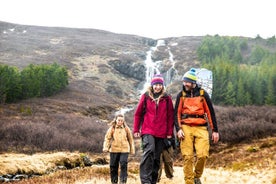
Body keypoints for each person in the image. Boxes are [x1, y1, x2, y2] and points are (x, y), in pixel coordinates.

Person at [174, 68, 219, 184]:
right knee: (187, 157)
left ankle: (196, 176)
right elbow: (177, 114)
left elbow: (210, 112)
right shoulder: (181, 95)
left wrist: (215, 130)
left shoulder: (203, 94)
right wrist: (178, 129)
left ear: (193, 83)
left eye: (187, 82)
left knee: (203, 155)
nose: (185, 84)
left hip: (201, 127)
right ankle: (189, 182)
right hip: (186, 127)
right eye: (184, 81)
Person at [133, 74, 174, 184]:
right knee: (149, 150)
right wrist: (136, 129)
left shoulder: (167, 98)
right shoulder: (145, 96)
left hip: (161, 132)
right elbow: (138, 114)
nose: (158, 87)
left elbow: (170, 117)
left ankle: (153, 180)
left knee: (157, 157)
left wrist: (169, 133)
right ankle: (145, 180)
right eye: (156, 85)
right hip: (147, 130)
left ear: (162, 85)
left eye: (160, 85)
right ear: (152, 85)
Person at [103, 113, 135, 184]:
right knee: (113, 166)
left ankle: (123, 181)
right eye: (119, 120)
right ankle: (114, 181)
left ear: (123, 121)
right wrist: (106, 147)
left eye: (121, 120)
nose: (120, 122)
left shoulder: (126, 129)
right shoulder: (112, 128)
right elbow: (107, 138)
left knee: (123, 164)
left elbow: (131, 139)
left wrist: (132, 150)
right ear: (116, 120)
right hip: (114, 150)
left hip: (124, 150)